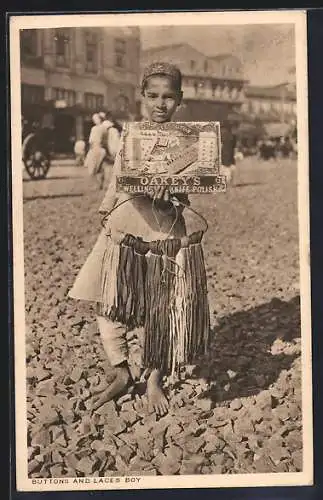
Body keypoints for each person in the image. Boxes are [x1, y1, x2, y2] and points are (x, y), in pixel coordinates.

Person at [68, 62, 211, 417]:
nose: (160, 104)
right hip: (124, 224)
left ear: (179, 100)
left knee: (160, 307)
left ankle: (154, 378)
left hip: (164, 230)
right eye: (153, 96)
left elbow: (198, 184)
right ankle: (121, 370)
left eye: (168, 97)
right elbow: (118, 177)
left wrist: (175, 189)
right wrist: (106, 207)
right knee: (107, 300)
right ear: (142, 97)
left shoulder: (192, 140)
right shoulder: (131, 135)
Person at [84, 113, 106, 189]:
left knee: (92, 169)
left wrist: (89, 151)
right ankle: (100, 184)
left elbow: (91, 141)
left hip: (95, 149)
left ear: (99, 119)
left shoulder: (94, 129)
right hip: (102, 150)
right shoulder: (105, 128)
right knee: (100, 168)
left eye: (95, 119)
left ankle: (98, 185)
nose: (94, 121)